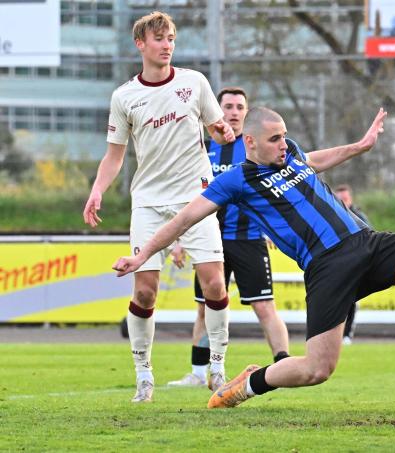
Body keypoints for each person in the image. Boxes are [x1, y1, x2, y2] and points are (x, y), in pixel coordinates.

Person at [111, 106, 395, 411]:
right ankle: (249, 383)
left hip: (368, 243)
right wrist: (143, 254)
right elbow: (184, 218)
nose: (284, 143)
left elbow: (312, 159)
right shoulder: (236, 181)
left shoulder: (292, 153)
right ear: (251, 142)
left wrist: (358, 147)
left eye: (284, 137)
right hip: (327, 267)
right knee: (317, 370)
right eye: (275, 138)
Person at [83, 11, 236, 403]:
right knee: (146, 292)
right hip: (149, 203)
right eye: (159, 39)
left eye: (171, 38)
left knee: (215, 283)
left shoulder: (194, 82)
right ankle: (144, 376)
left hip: (197, 198)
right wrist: (98, 189)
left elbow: (217, 127)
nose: (167, 45)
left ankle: (217, 368)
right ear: (141, 44)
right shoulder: (124, 97)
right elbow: (114, 156)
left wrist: (222, 130)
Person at [167, 87, 291, 389]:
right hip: (210, 240)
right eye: (228, 106)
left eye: (240, 107)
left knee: (264, 306)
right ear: (218, 111)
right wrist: (180, 239)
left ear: (247, 114)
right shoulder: (205, 149)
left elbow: (277, 186)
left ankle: (285, 367)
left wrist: (272, 225)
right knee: (204, 306)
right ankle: (198, 373)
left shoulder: (256, 147)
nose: (234, 112)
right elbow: (189, 196)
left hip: (249, 238)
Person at [333, 184, 371, 344]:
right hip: (335, 264)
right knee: (333, 301)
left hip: (354, 264)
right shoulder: (330, 214)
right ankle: (333, 335)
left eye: (346, 198)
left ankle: (347, 334)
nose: (343, 201)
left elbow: (370, 236)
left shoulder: (359, 216)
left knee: (351, 300)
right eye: (340, 198)